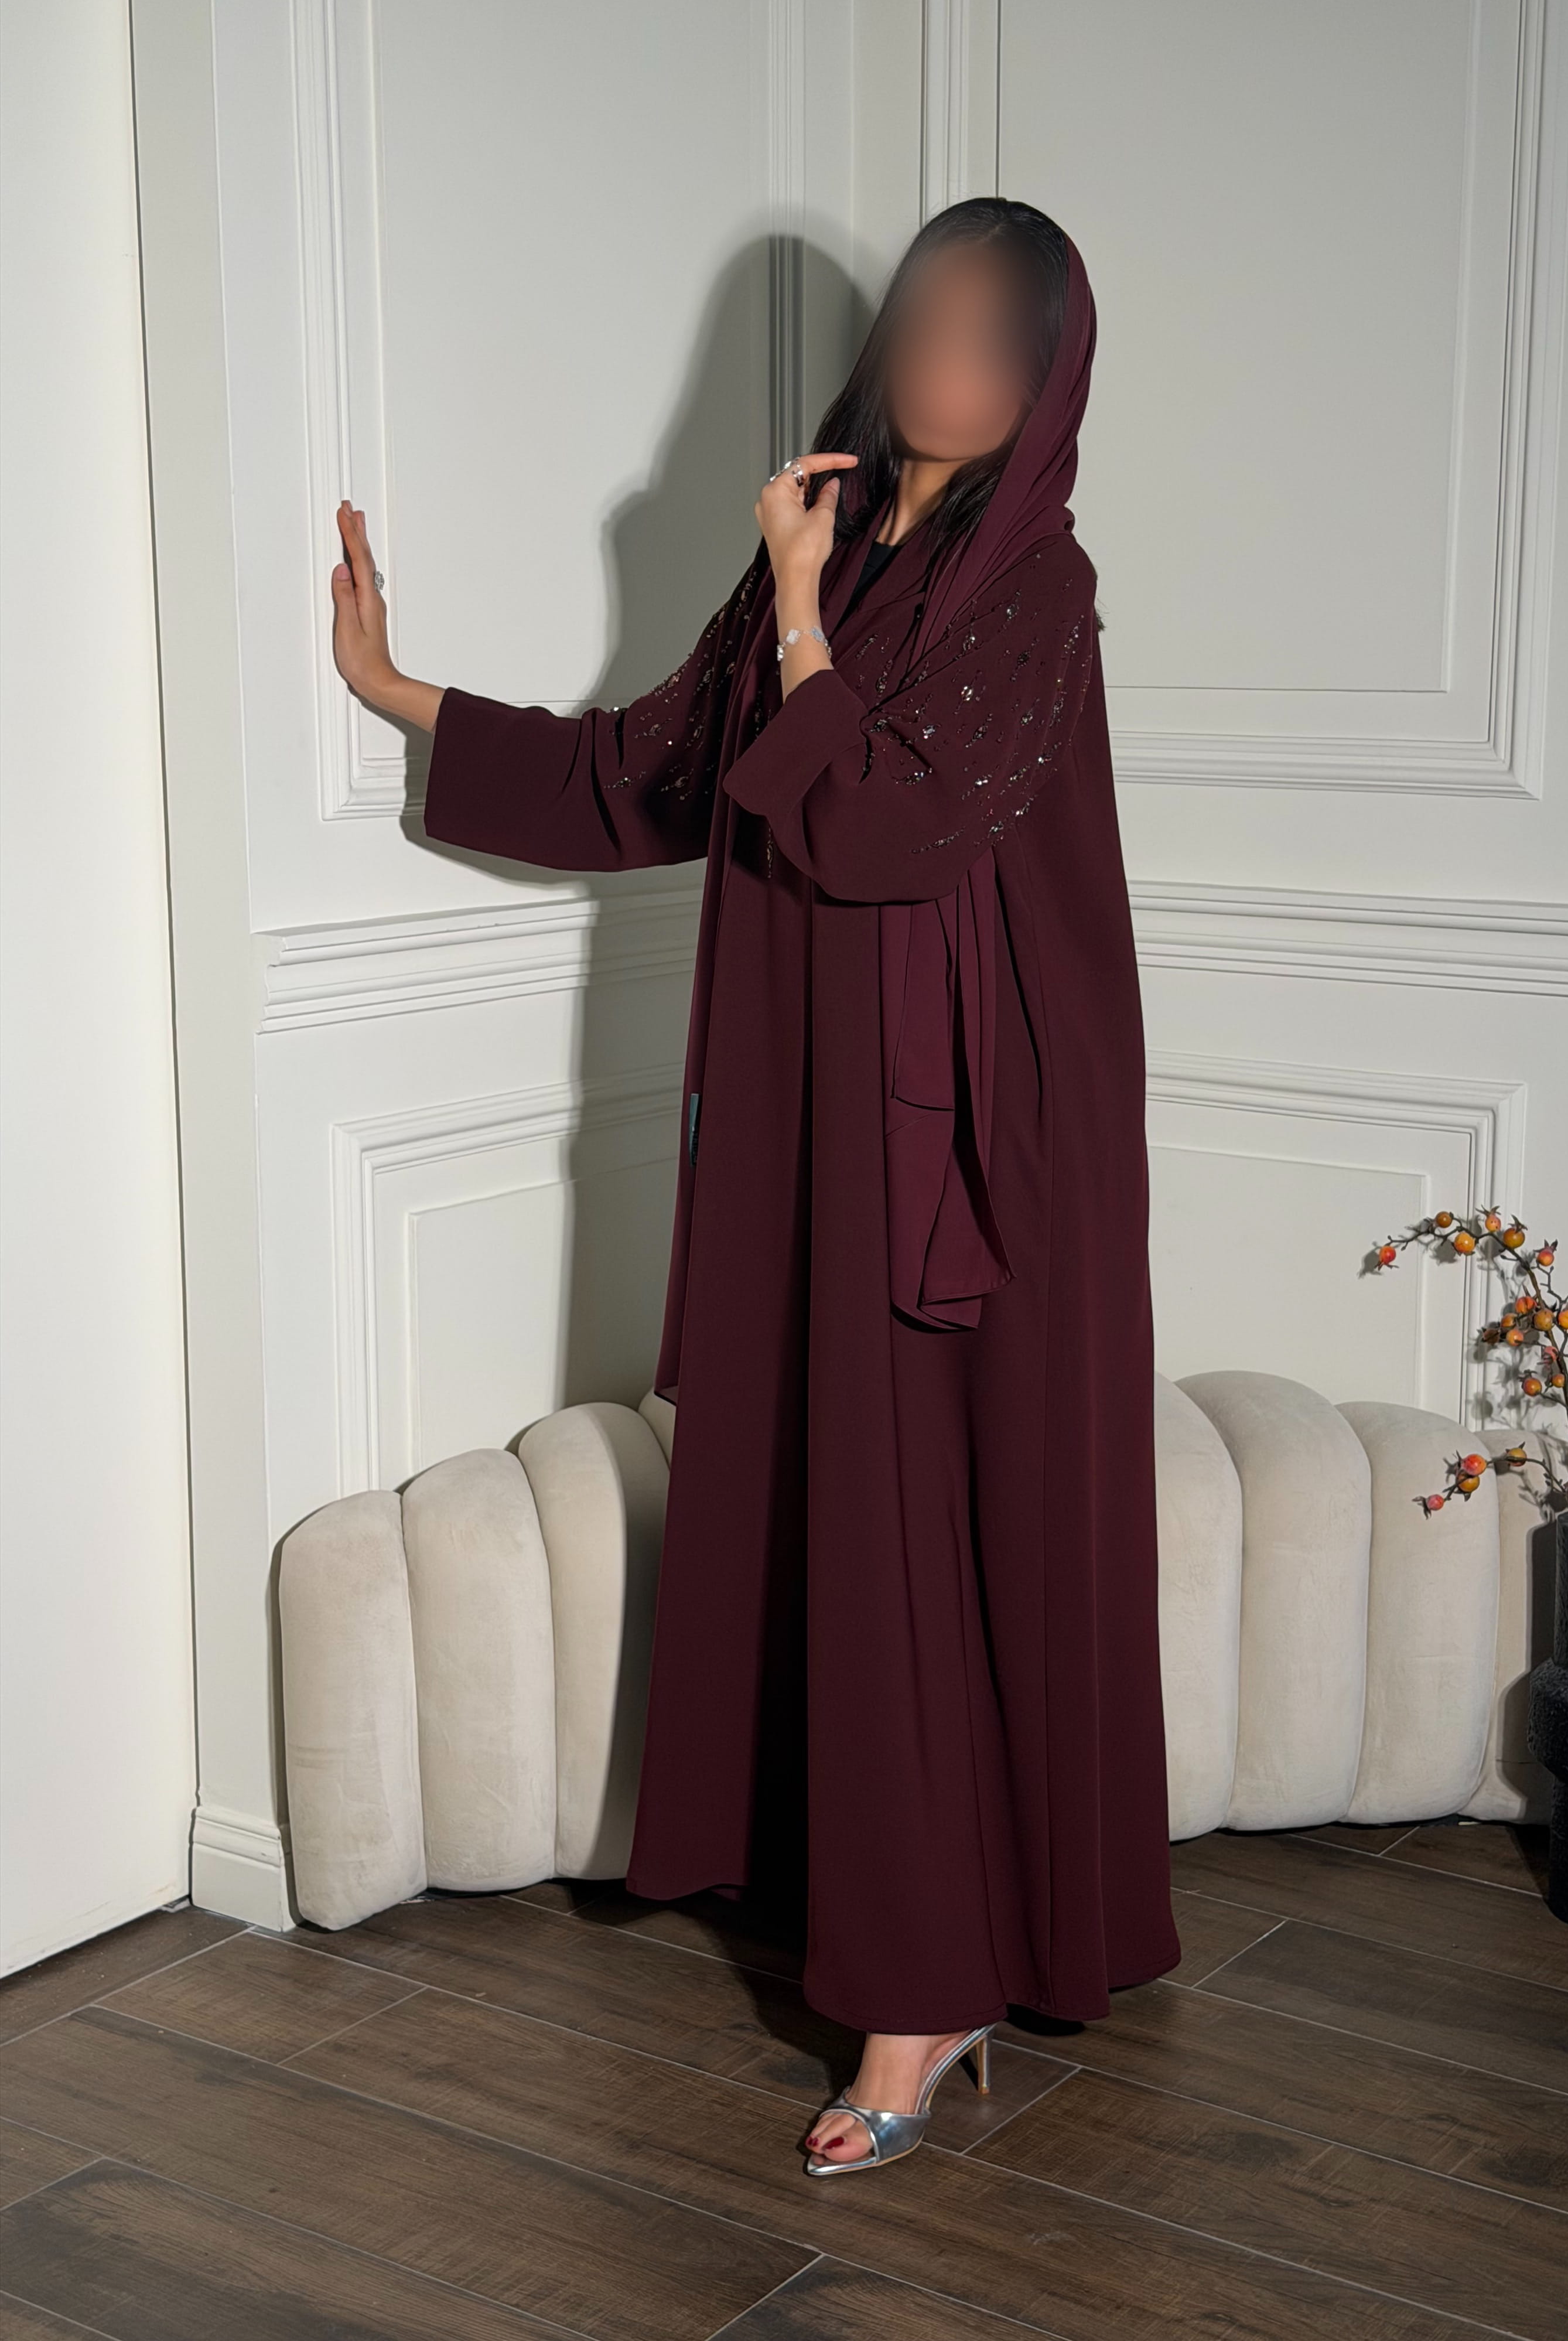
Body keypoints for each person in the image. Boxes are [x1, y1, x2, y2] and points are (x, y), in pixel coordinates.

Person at [330, 197, 1181, 2178]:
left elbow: (878, 830)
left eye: (995, 343)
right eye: (930, 324)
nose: (946, 368)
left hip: (972, 1140)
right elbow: (661, 771)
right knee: (843, 1506)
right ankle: (899, 1916)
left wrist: (801, 611)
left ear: (1048, 382)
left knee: (926, 1524)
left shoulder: (1038, 586)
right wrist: (403, 693)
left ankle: (924, 1995)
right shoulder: (828, 526)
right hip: (815, 1111)